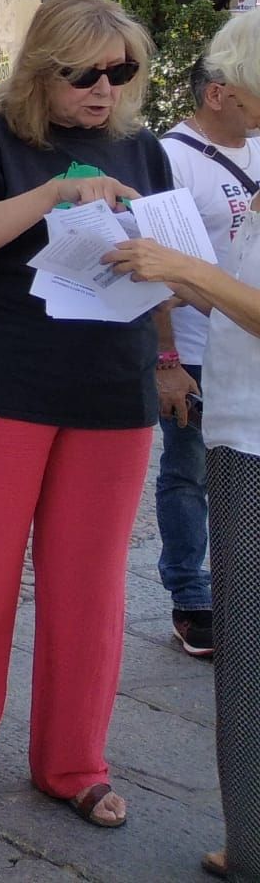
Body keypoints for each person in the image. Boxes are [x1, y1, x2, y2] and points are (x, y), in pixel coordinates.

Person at [0, 0, 174, 829]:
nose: (104, 89)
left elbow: (164, 266)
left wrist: (167, 360)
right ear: (41, 70)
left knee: (91, 585)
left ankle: (74, 762)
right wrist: (55, 194)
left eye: (120, 72)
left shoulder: (143, 148)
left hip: (108, 390)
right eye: (84, 73)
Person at [104, 7, 260, 882]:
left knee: (248, 656)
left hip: (255, 436)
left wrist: (185, 271)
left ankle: (251, 850)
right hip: (240, 420)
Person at [157, 51, 256, 658]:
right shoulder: (170, 159)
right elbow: (156, 266)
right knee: (189, 474)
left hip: (246, 347)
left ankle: (239, 596)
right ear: (217, 93)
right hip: (194, 349)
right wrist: (165, 361)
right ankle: (193, 598)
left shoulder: (258, 146)